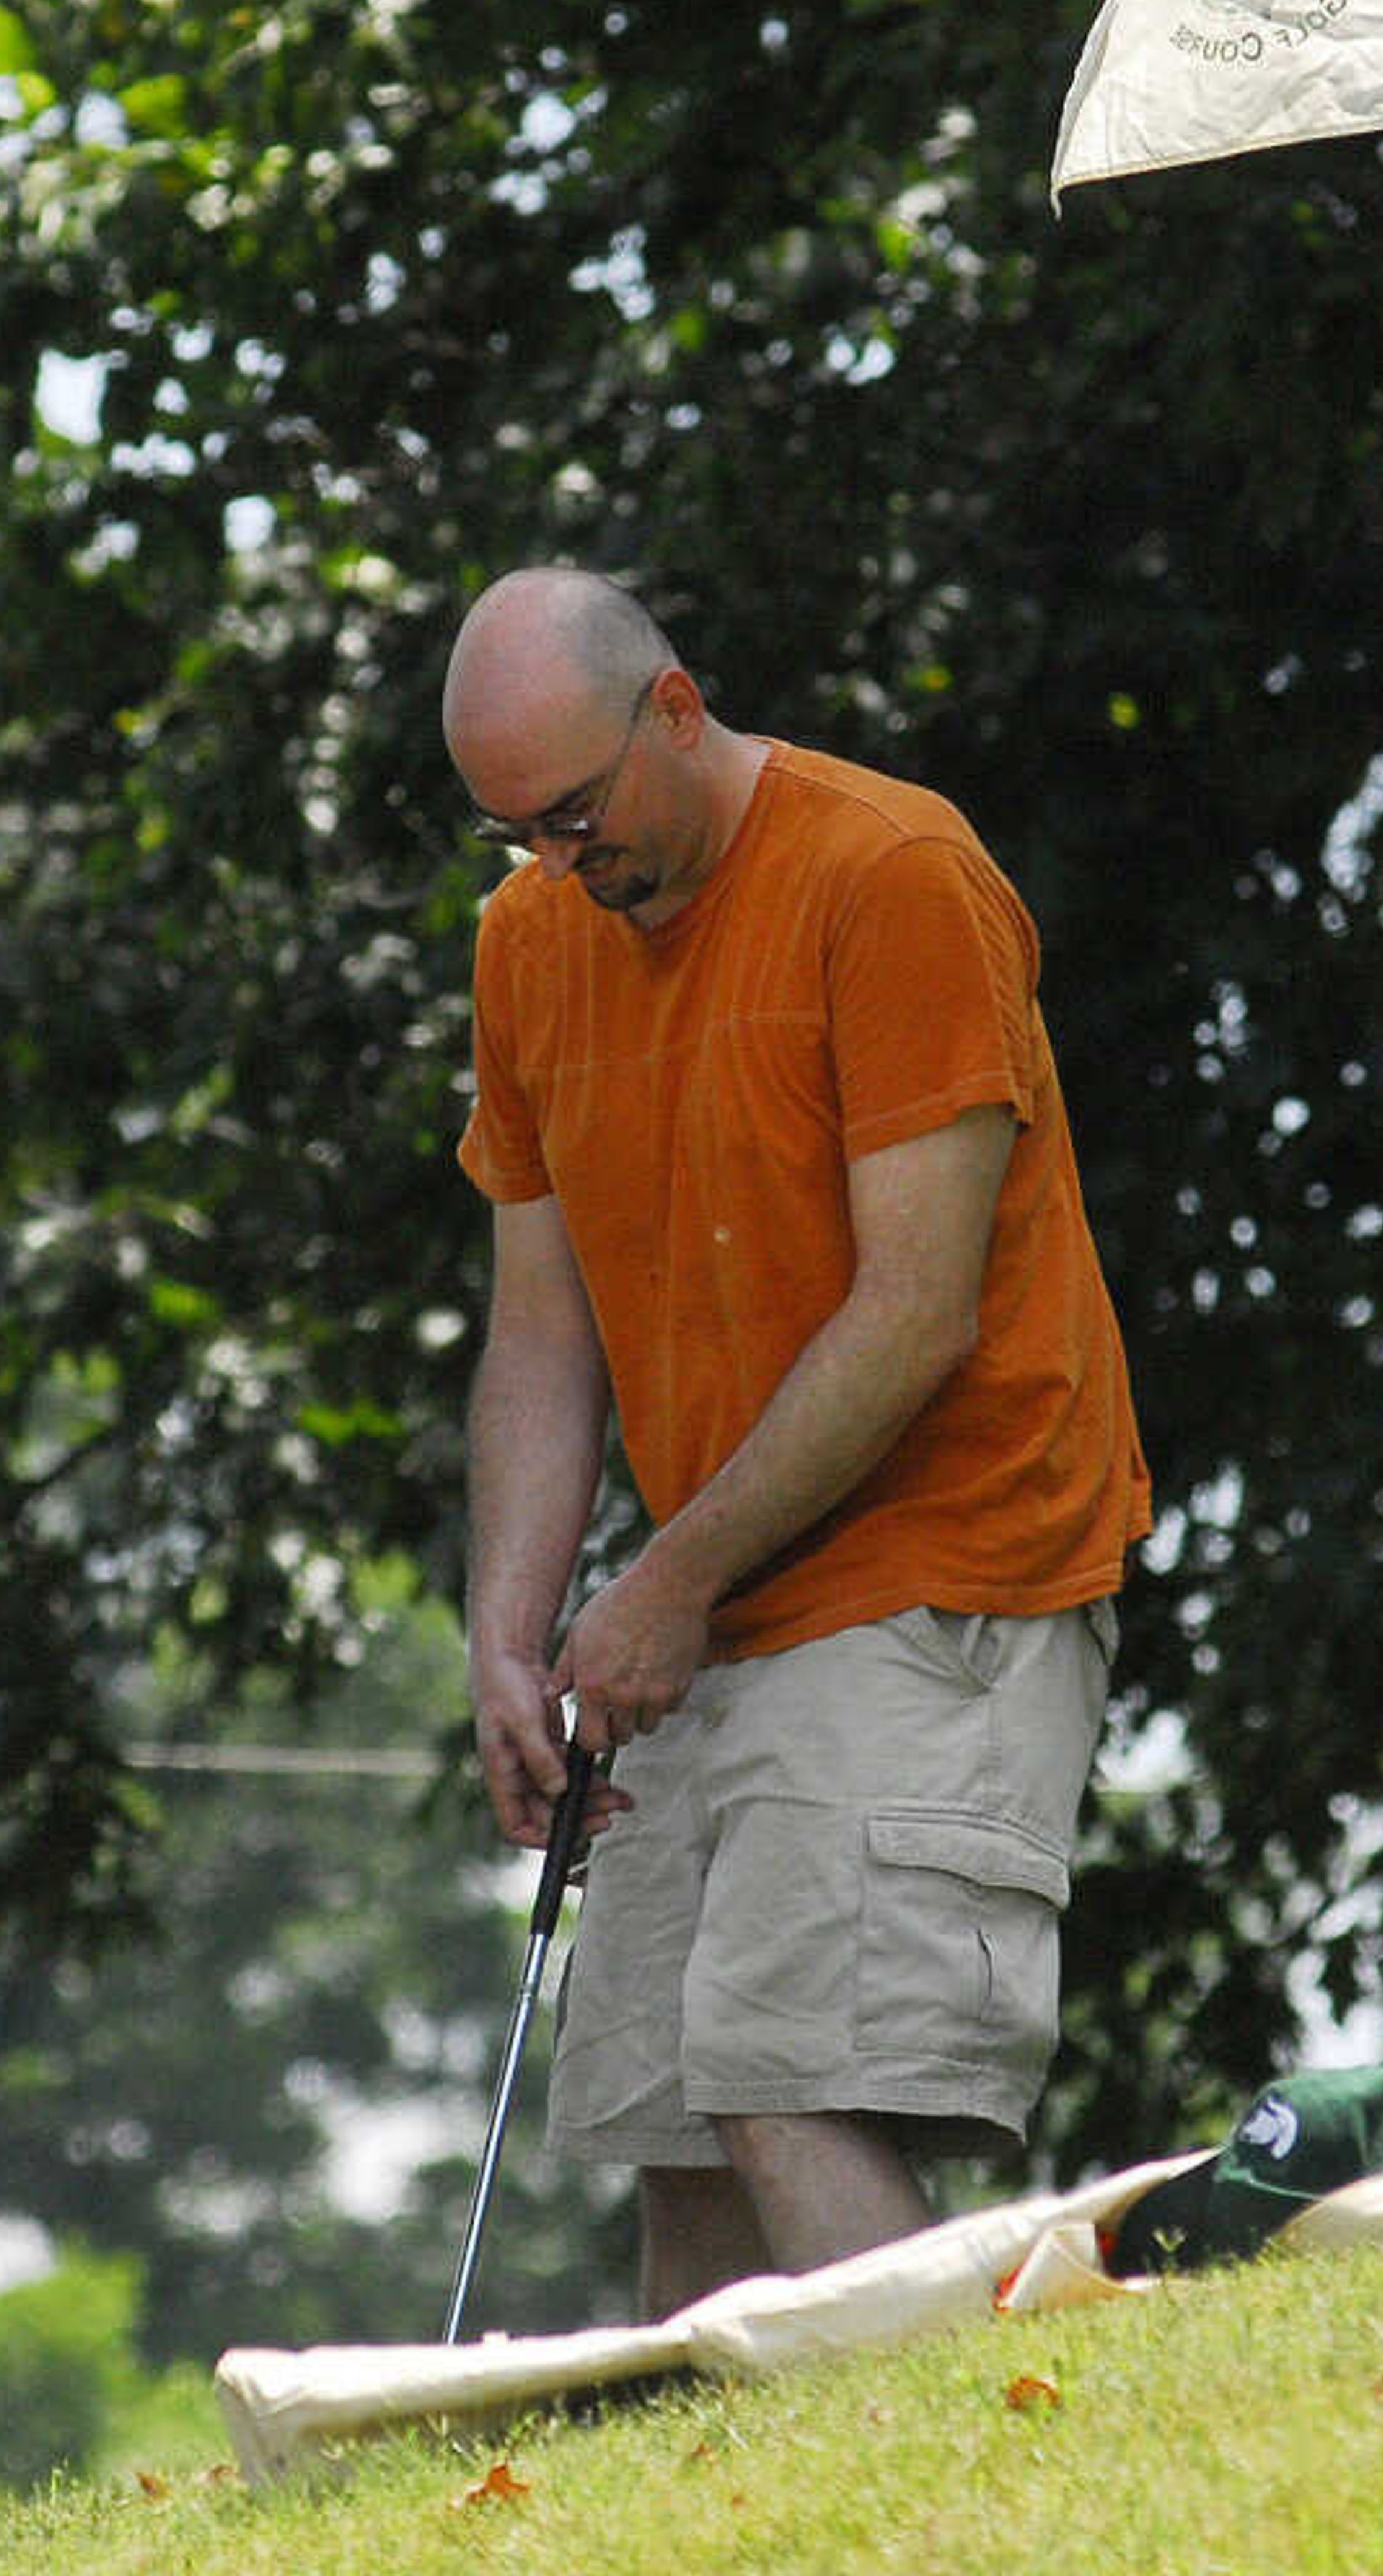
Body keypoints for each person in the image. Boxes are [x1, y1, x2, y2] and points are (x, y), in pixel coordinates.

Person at [443, 565, 1149, 2318]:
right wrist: (508, 1642)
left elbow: (918, 1313)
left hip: (946, 1568)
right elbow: (543, 1336)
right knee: (673, 2128)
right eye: (515, 832)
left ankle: (986, 2493)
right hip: (721, 1602)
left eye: (578, 814)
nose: (557, 863)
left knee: (784, 2073)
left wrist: (666, 1585)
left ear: (674, 708)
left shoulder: (891, 876)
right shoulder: (530, 946)